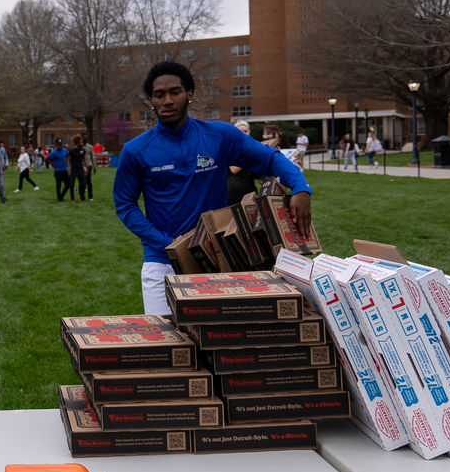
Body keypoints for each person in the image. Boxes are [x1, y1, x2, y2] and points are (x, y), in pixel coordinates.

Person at [113, 62, 313, 316]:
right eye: (159, 95)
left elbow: (269, 158)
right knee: (167, 349)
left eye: (175, 92)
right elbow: (125, 205)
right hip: (161, 263)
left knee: (216, 346)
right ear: (151, 101)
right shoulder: (135, 150)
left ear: (190, 94)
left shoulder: (220, 136)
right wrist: (168, 244)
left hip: (216, 259)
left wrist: (301, 188)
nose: (167, 100)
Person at [227, 120, 262, 205]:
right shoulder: (230, 148)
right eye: (240, 131)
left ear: (249, 132)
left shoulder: (253, 147)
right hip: (232, 194)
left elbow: (258, 174)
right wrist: (252, 155)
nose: (243, 134)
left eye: (245, 131)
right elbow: (234, 169)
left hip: (250, 192)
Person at [68, 135, 87, 203]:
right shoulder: (72, 151)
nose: (82, 143)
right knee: (72, 184)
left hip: (80, 169)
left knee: (83, 183)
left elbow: (84, 159)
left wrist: (86, 168)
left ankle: (82, 198)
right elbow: (68, 160)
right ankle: (72, 198)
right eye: (81, 142)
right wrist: (69, 169)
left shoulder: (83, 150)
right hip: (74, 169)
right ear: (77, 143)